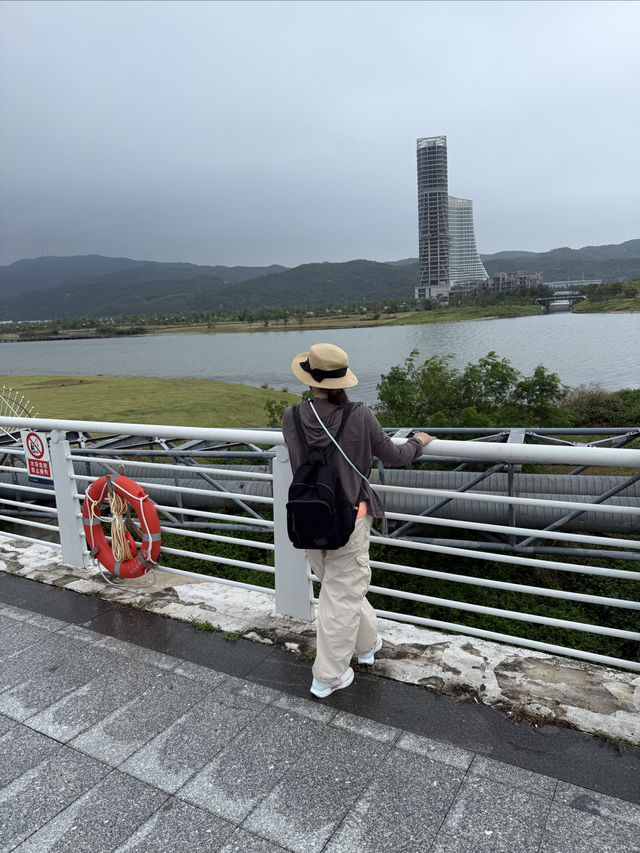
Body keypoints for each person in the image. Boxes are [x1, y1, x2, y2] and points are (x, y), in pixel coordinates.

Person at [282, 342, 435, 698]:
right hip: (349, 519)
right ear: (343, 381)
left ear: (309, 379)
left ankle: (366, 647)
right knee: (342, 593)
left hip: (307, 517)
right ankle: (328, 676)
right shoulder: (358, 414)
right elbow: (394, 455)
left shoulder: (292, 416)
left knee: (341, 590)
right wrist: (418, 441)